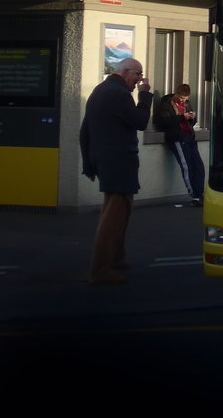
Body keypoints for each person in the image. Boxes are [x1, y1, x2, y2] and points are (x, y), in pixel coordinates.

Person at [79, 58, 152, 285]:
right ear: (126, 72)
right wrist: (145, 97)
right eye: (138, 74)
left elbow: (85, 130)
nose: (140, 79)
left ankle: (117, 258)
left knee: (122, 209)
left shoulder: (100, 90)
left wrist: (88, 163)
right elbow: (140, 121)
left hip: (106, 160)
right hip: (119, 161)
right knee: (113, 216)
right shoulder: (119, 94)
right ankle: (100, 270)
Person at [156, 83, 205, 205]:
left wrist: (192, 118)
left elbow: (192, 123)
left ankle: (200, 193)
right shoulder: (166, 104)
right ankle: (195, 195)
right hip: (178, 137)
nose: (183, 100)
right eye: (182, 98)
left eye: (186, 98)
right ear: (176, 94)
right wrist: (183, 117)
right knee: (187, 166)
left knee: (199, 166)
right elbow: (165, 122)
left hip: (189, 137)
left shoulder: (186, 103)